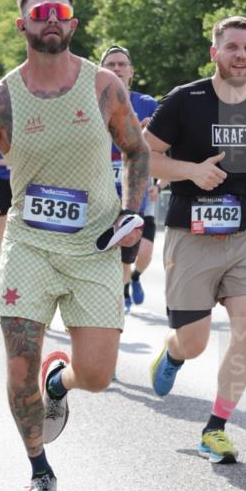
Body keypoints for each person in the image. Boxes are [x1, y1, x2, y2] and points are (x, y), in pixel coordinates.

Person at [0, 0, 149, 491]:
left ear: (73, 24)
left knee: (100, 376)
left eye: (60, 12)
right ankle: (40, 471)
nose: (51, 20)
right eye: (40, 14)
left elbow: (137, 152)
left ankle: (60, 381)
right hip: (29, 246)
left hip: (96, 246)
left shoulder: (104, 86)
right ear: (23, 25)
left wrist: (133, 211)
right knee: (17, 368)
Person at [144, 15, 246, 463]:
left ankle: (215, 428)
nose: (240, 55)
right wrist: (191, 170)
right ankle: (173, 354)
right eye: (231, 47)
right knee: (193, 342)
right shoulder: (184, 100)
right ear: (215, 53)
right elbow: (145, 156)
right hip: (190, 233)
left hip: (243, 234)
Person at [99, 46, 159, 313]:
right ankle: (118, 297)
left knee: (142, 255)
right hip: (102, 196)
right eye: (110, 64)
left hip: (139, 194)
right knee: (115, 256)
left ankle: (133, 279)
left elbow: (162, 150)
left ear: (131, 72)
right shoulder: (89, 104)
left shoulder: (147, 104)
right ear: (100, 72)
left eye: (122, 64)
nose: (117, 69)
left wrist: (157, 183)